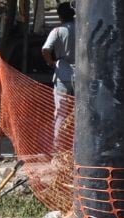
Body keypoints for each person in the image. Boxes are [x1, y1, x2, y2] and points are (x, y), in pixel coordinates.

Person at [42, 2, 76, 147]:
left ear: (60, 16)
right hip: (82, 74)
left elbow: (45, 49)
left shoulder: (57, 31)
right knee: (81, 111)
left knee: (61, 112)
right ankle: (78, 146)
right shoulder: (83, 28)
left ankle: (59, 146)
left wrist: (50, 62)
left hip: (63, 74)